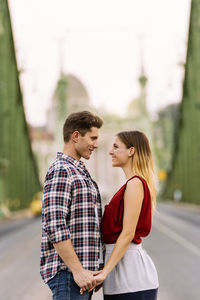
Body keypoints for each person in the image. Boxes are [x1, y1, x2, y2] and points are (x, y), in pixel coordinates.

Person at [40, 111, 104, 300]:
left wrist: (93, 270)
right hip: (68, 276)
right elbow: (55, 225)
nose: (96, 144)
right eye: (93, 138)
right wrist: (78, 271)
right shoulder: (62, 170)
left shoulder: (78, 171)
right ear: (76, 136)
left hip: (82, 277)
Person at [92, 130, 159, 299]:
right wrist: (106, 271)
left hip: (132, 279)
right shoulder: (131, 184)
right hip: (121, 279)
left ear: (131, 151)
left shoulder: (135, 184)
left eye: (116, 147)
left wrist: (105, 272)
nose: (110, 151)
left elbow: (128, 234)